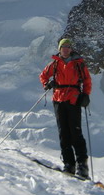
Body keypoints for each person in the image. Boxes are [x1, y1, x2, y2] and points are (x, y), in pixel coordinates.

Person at [39, 38, 92, 178]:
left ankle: (82, 166)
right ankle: (69, 164)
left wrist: (86, 94)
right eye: (64, 47)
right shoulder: (55, 64)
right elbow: (43, 75)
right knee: (64, 132)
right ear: (60, 49)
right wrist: (47, 84)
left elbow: (87, 80)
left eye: (68, 47)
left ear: (71, 49)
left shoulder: (79, 64)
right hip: (58, 99)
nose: (66, 49)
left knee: (75, 132)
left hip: (73, 99)